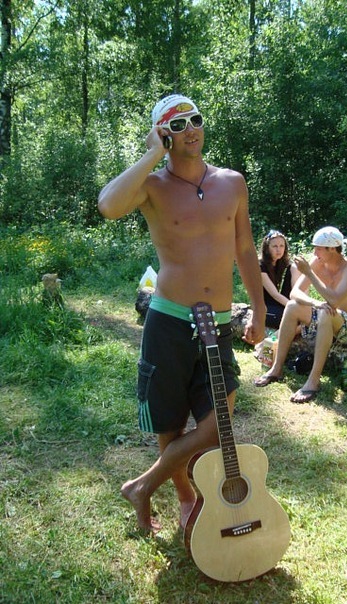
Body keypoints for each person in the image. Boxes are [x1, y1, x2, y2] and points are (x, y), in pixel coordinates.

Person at [98, 93, 266, 534]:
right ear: (163, 134)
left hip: (220, 322)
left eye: (195, 119)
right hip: (169, 320)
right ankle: (187, 498)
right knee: (170, 422)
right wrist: (151, 154)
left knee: (216, 424)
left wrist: (259, 308)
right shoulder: (152, 187)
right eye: (176, 125)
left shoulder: (232, 182)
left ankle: (141, 486)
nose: (190, 129)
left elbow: (245, 248)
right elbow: (108, 205)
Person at [254, 226, 347, 403]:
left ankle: (313, 381)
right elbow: (295, 293)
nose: (314, 253)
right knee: (292, 306)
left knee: (326, 313)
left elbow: (334, 300)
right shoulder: (317, 261)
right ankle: (276, 369)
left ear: (332, 249)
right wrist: (315, 303)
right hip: (329, 315)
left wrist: (310, 273)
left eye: (318, 249)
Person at [259, 230, 301, 329]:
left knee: (296, 267)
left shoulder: (283, 263)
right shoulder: (260, 266)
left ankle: (301, 305)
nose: (279, 250)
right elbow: (275, 295)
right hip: (266, 307)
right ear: (267, 248)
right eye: (275, 246)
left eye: (282, 246)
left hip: (282, 303)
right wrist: (295, 308)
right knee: (291, 318)